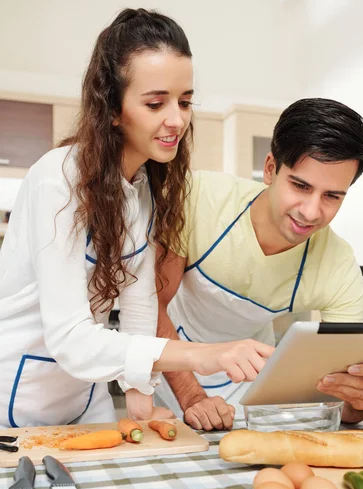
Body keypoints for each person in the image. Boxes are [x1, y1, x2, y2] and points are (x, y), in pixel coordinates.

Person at [0, 8, 272, 428]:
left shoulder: (141, 187)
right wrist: (202, 354)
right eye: (155, 103)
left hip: (85, 392)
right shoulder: (56, 180)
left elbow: (138, 303)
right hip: (17, 392)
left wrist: (140, 395)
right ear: (111, 107)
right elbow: (70, 338)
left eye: (184, 101)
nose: (177, 119)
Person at [156, 98, 363, 431]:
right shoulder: (200, 198)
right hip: (172, 362)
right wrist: (193, 397)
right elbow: (153, 304)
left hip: (252, 378)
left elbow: (344, 405)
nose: (311, 212)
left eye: (332, 196)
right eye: (300, 185)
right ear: (270, 168)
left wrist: (362, 398)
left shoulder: (338, 266)